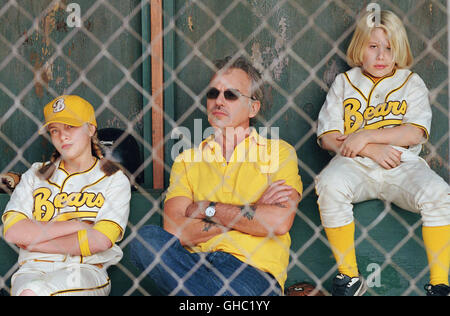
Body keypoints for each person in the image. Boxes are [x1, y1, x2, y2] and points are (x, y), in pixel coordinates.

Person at [130, 56, 302, 296]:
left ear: (253, 107)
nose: (219, 101)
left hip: (251, 272)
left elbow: (278, 222)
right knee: (146, 240)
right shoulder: (186, 159)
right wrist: (252, 211)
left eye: (231, 95)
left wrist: (206, 209)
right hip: (192, 268)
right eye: (213, 93)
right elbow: (176, 231)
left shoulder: (278, 152)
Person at [315, 10, 450, 296]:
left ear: (398, 50)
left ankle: (440, 284)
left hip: (402, 164)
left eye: (389, 48)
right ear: (358, 48)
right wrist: (370, 148)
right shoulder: (344, 82)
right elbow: (328, 137)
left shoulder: (410, 81)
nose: (381, 56)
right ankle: (350, 277)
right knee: (329, 184)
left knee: (438, 193)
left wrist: (365, 135)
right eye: (372, 46)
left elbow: (414, 133)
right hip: (354, 164)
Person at [2, 95, 131, 296]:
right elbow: (13, 232)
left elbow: (101, 240)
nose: (62, 136)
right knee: (30, 289)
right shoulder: (35, 175)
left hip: (83, 270)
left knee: (34, 292)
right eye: (55, 130)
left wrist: (36, 241)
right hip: (32, 269)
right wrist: (78, 225)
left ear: (90, 129)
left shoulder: (113, 178)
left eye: (70, 127)